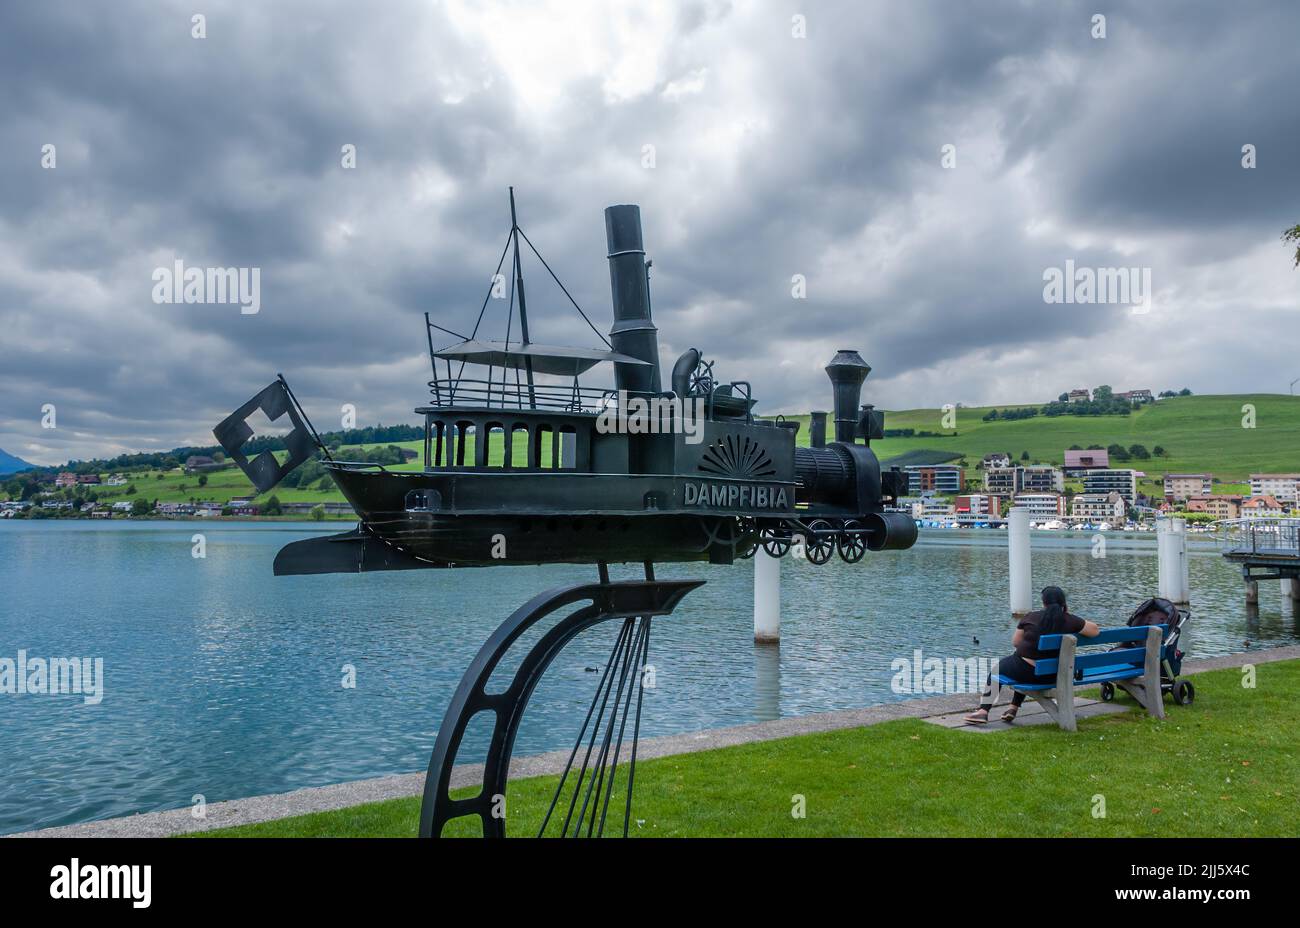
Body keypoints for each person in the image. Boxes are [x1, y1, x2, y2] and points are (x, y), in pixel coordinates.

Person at [964, 586, 1100, 724]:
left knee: (998, 670)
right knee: (1019, 663)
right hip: (1057, 675)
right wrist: (1069, 614)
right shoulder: (1071, 621)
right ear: (1063, 603)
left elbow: (1016, 642)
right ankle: (1013, 708)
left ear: (1044, 603)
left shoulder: (1031, 617)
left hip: (1028, 673)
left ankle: (983, 711)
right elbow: (1095, 631)